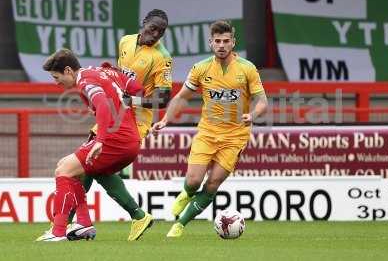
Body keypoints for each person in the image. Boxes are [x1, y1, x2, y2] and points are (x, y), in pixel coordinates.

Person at [152, 20, 268, 237]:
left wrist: (252, 114)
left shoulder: (247, 68)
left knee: (213, 182)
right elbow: (181, 97)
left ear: (233, 42)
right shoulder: (201, 68)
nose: (221, 45)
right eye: (217, 41)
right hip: (207, 132)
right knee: (194, 180)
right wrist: (166, 119)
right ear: (211, 43)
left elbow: (263, 101)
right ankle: (187, 193)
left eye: (226, 41)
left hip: (235, 136)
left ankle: (180, 225)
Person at [37, 49, 146, 241]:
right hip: (130, 138)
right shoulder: (102, 72)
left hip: (115, 139)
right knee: (77, 170)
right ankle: (83, 223)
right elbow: (138, 90)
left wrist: (101, 140)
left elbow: (103, 105)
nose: (56, 82)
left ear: (69, 70)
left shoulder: (85, 81)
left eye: (56, 77)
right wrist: (120, 102)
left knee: (63, 170)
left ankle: (58, 231)